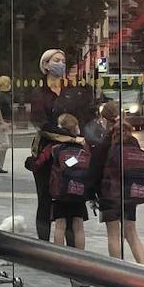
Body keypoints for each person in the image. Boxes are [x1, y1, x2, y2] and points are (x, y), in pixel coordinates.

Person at [27, 48, 94, 243]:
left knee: (70, 198)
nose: (61, 63)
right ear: (46, 65)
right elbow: (41, 124)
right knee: (45, 199)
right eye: (56, 60)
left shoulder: (71, 91)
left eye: (63, 60)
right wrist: (71, 138)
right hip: (47, 153)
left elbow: (82, 119)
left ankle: (71, 248)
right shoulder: (39, 93)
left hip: (71, 154)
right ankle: (44, 245)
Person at [32, 113, 87, 250]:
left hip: (58, 188)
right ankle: (78, 255)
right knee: (77, 224)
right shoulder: (80, 144)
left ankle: (57, 253)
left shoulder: (54, 145)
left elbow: (38, 162)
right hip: (77, 188)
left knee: (59, 223)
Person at [96, 121, 144, 264]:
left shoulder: (107, 143)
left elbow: (96, 167)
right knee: (131, 233)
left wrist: (93, 192)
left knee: (113, 234)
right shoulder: (134, 143)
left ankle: (117, 269)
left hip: (109, 193)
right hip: (130, 193)